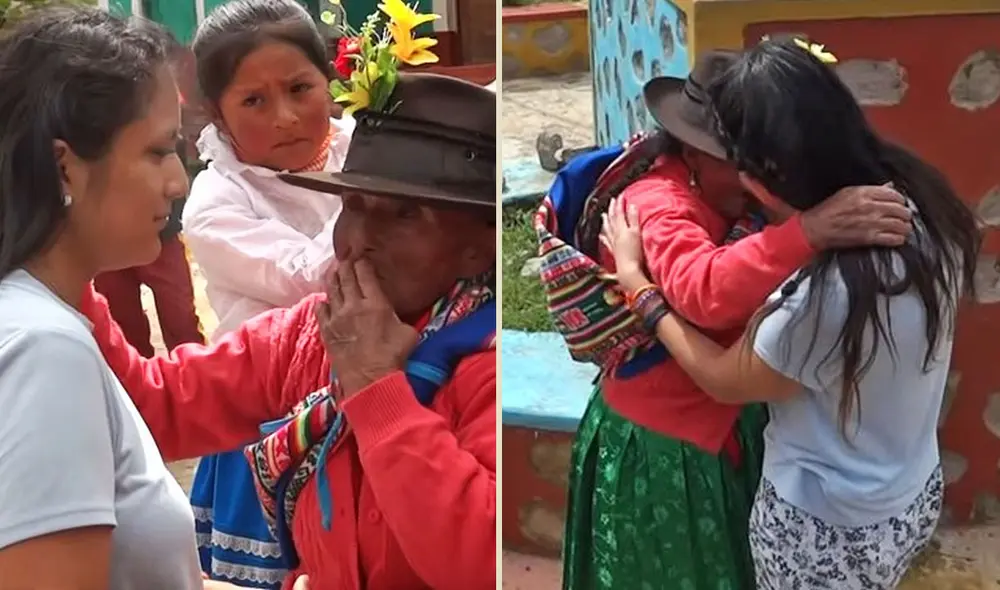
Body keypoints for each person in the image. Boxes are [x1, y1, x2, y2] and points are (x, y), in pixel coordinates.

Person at [79, 72, 496, 590]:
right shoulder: (310, 334)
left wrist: (376, 389)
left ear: (476, 248)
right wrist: (66, 268)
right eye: (354, 207)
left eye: (405, 215)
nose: (358, 241)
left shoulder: (488, 366)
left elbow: (481, 560)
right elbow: (152, 404)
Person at [601, 38, 979, 589]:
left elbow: (723, 377)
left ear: (758, 178)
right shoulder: (920, 203)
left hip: (824, 528)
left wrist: (639, 288)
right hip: (909, 494)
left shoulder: (822, 298)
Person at [0, 8, 209, 588]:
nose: (179, 181)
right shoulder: (43, 348)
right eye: (158, 151)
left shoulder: (40, 322)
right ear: (64, 167)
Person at [179, 1, 355, 585]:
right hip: (270, 417)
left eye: (300, 88)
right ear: (217, 113)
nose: (285, 118)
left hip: (371, 393)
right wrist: (379, 196)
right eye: (254, 101)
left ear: (328, 79)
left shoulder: (358, 147)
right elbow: (307, 279)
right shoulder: (216, 203)